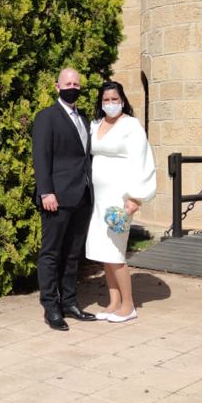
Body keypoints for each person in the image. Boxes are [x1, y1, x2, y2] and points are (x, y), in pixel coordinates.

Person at [32, 68, 97, 331]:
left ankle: (69, 301)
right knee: (51, 254)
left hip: (81, 196)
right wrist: (46, 191)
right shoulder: (46, 117)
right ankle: (51, 306)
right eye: (68, 83)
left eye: (77, 83)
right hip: (56, 198)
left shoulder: (83, 117)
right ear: (57, 87)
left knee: (72, 254)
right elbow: (41, 156)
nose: (73, 87)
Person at [86, 81, 156, 322]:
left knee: (116, 251)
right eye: (106, 100)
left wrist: (136, 198)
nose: (110, 104)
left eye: (114, 99)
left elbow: (142, 161)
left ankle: (128, 305)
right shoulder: (96, 125)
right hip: (99, 199)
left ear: (123, 100)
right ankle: (113, 301)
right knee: (104, 251)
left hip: (120, 198)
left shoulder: (131, 127)